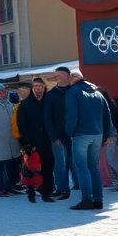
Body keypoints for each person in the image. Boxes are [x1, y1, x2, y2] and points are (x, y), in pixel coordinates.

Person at [64, 69, 108, 210]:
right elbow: (107, 114)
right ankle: (98, 200)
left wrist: (69, 131)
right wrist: (106, 134)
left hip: (81, 134)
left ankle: (87, 199)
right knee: (93, 167)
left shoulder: (72, 92)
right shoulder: (98, 93)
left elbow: (72, 115)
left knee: (82, 167)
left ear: (73, 78)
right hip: (98, 134)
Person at [15, 79, 55, 202]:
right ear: (32, 88)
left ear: (44, 87)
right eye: (36, 86)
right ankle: (31, 192)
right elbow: (21, 125)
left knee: (48, 167)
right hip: (32, 142)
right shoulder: (25, 104)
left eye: (40, 86)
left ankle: (46, 192)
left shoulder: (49, 101)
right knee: (32, 168)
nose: (38, 88)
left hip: (48, 140)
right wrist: (26, 143)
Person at [46, 67, 73, 199]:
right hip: (58, 136)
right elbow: (48, 118)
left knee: (76, 163)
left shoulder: (75, 91)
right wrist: (54, 136)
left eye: (60, 74)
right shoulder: (51, 94)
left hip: (75, 134)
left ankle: (80, 185)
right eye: (56, 75)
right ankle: (62, 188)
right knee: (60, 164)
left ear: (68, 75)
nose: (57, 77)